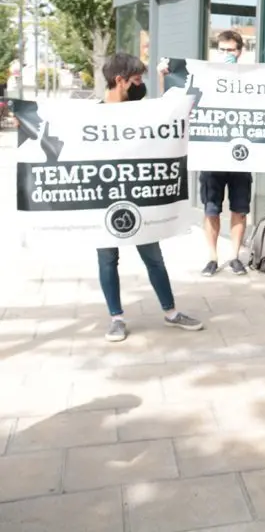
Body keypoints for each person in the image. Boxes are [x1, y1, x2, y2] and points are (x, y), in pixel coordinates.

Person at [98, 53, 204, 343]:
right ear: (119, 81)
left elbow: (169, 111)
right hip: (104, 202)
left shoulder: (139, 111)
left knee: (153, 257)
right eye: (136, 80)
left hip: (139, 199)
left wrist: (164, 78)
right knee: (108, 259)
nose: (140, 85)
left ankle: (170, 312)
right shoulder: (93, 115)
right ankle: (116, 318)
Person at [158, 30, 253, 277]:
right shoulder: (203, 77)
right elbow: (173, 99)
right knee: (211, 209)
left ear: (239, 52)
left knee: (239, 208)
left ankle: (234, 257)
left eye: (230, 50)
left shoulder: (251, 80)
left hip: (240, 155)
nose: (225, 54)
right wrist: (164, 76)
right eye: (221, 50)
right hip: (211, 154)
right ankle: (212, 258)